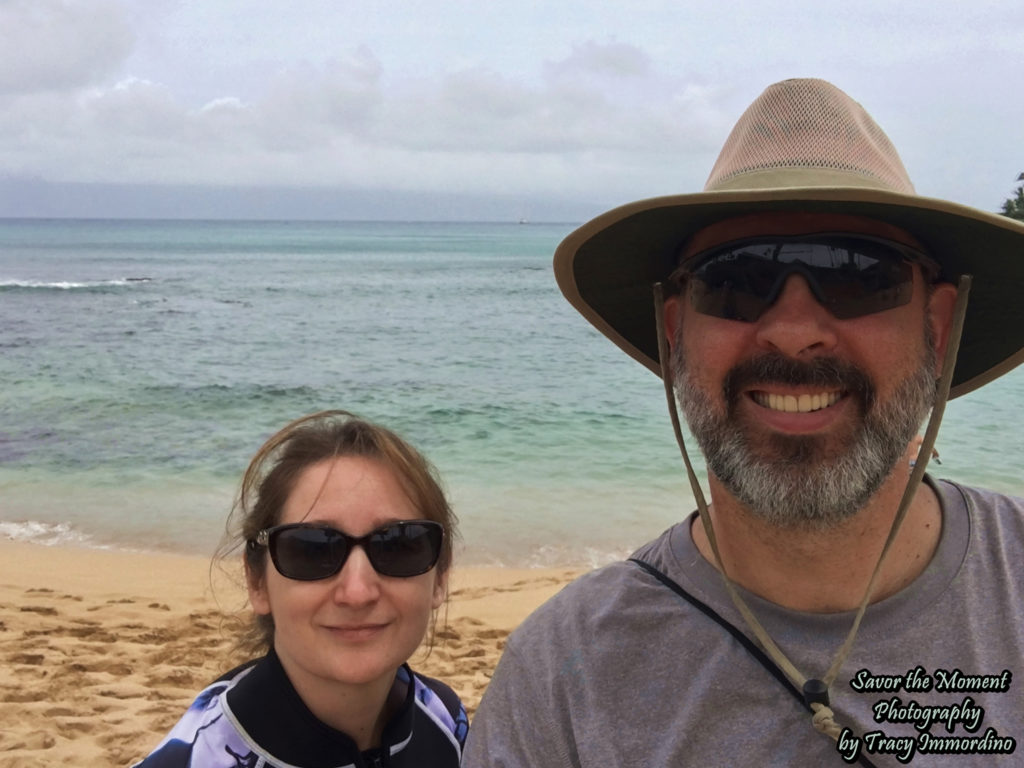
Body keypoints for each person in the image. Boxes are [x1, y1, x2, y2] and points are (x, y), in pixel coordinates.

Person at [464, 79, 1024, 766]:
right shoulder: (560, 678)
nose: (792, 333)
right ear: (675, 333)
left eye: (857, 274)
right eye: (736, 277)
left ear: (938, 328)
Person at [134, 410, 468, 767]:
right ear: (257, 582)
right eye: (313, 549)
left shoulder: (446, 722)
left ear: (441, 575)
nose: (356, 592)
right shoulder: (195, 759)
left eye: (399, 545)